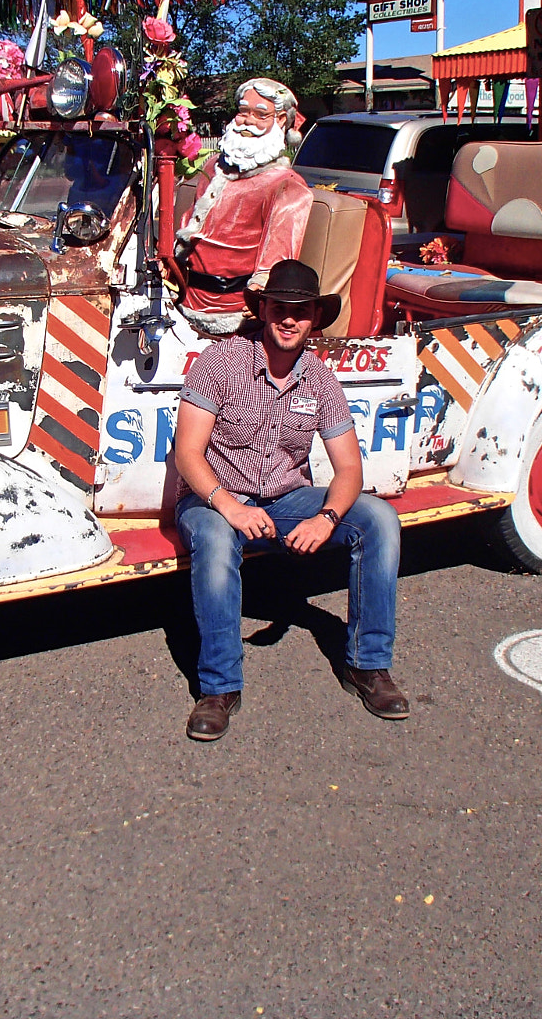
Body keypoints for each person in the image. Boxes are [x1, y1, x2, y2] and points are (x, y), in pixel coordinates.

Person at [172, 259, 408, 741]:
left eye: (301, 311)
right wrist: (229, 505)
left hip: (286, 501)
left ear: (315, 318)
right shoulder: (221, 362)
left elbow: (349, 470)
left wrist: (326, 517)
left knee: (379, 519)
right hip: (216, 499)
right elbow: (188, 453)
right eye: (279, 307)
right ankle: (219, 689)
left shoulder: (321, 381)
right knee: (217, 542)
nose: (289, 319)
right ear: (263, 309)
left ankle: (368, 666)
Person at [175, 78, 315, 335]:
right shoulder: (212, 167)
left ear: (281, 120)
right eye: (243, 112)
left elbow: (279, 257)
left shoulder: (286, 185)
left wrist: (261, 289)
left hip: (237, 315)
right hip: (185, 302)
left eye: (261, 114)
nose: (247, 121)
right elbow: (190, 226)